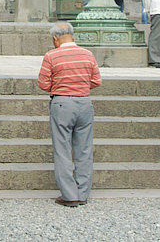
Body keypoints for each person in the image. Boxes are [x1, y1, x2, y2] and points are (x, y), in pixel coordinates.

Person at [38, 22, 102, 207]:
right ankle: (82, 193)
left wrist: (59, 87)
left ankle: (69, 194)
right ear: (72, 36)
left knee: (62, 150)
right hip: (84, 102)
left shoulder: (51, 56)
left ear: (55, 39)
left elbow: (43, 83)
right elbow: (96, 81)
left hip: (61, 103)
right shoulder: (87, 54)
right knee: (84, 150)